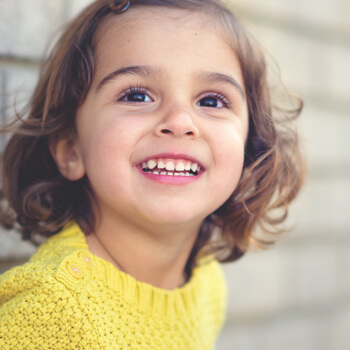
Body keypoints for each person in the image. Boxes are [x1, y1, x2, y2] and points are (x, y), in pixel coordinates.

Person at [0, 0, 305, 348]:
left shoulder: (204, 281)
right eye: (137, 95)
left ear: (250, 145)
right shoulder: (50, 312)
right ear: (72, 149)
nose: (179, 122)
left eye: (210, 101)